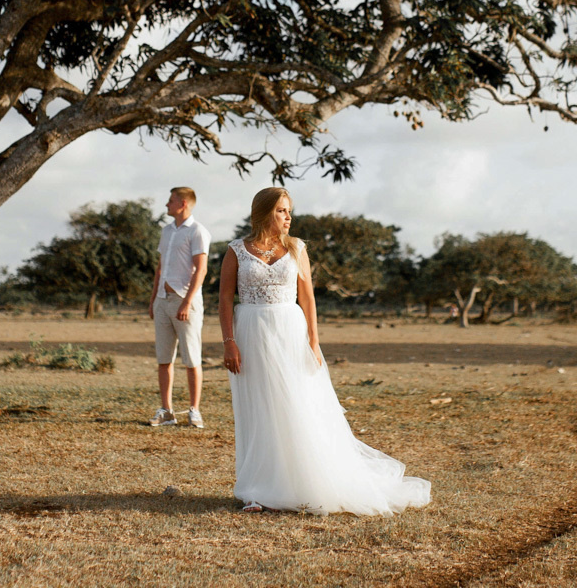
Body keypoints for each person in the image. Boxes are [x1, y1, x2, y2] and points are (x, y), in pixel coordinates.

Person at [219, 186, 431, 515]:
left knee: (297, 404)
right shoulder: (237, 250)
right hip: (250, 331)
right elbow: (223, 299)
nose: (288, 217)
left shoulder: (297, 248)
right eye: (281, 211)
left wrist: (314, 342)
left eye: (289, 211)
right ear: (264, 213)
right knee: (259, 409)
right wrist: (228, 341)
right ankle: (257, 490)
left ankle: (299, 483)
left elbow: (307, 298)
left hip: (290, 330)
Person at [148, 186, 211, 428]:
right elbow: (160, 267)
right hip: (163, 301)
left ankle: (194, 410)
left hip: (187, 302)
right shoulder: (166, 232)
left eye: (171, 200)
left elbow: (201, 269)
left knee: (192, 358)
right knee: (164, 358)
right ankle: (166, 411)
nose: (167, 204)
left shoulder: (198, 231)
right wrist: (154, 299)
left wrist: (186, 302)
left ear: (183, 203)